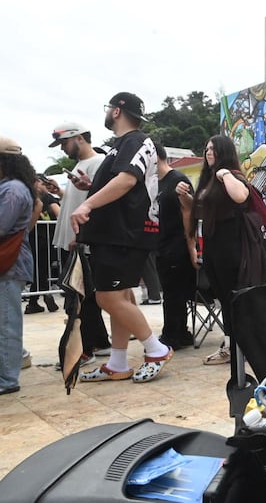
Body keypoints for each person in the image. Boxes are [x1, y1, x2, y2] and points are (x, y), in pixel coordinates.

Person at [73, 92, 173, 384]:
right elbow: (125, 183)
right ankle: (118, 363)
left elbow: (128, 180)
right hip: (118, 232)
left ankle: (156, 349)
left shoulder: (136, 141)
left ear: (117, 111)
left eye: (108, 109)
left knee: (107, 296)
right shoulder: (122, 146)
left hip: (124, 233)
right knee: (121, 296)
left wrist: (87, 204)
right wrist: (90, 188)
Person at [179, 135, 250, 366]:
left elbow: (241, 196)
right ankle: (231, 345)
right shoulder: (208, 179)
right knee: (223, 298)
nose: (209, 153)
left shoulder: (229, 176)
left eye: (214, 149)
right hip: (213, 246)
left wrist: (225, 173)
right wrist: (187, 197)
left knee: (233, 297)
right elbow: (201, 211)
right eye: (207, 148)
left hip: (231, 246)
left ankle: (238, 346)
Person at [47, 122, 111, 362]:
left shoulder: (97, 164)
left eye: (64, 142)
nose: (63, 148)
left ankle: (86, 348)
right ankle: (100, 343)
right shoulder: (81, 165)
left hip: (81, 243)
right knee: (83, 296)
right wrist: (62, 194)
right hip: (74, 241)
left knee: (78, 298)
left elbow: (99, 203)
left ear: (79, 138)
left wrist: (81, 235)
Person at [0, 137, 35, 395]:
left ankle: (7, 379)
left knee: (7, 323)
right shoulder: (12, 187)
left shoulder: (12, 189)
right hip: (9, 262)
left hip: (10, 263)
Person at [154, 144, 196, 350]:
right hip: (161, 244)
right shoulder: (155, 183)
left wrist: (191, 247)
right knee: (170, 292)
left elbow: (190, 212)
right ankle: (180, 332)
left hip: (176, 244)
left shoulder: (177, 180)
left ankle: (173, 335)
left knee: (174, 293)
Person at [24, 175, 60, 314]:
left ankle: (36, 301)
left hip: (34, 239)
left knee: (40, 270)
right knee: (42, 270)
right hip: (43, 240)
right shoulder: (45, 198)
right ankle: (42, 296)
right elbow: (59, 213)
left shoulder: (29, 198)